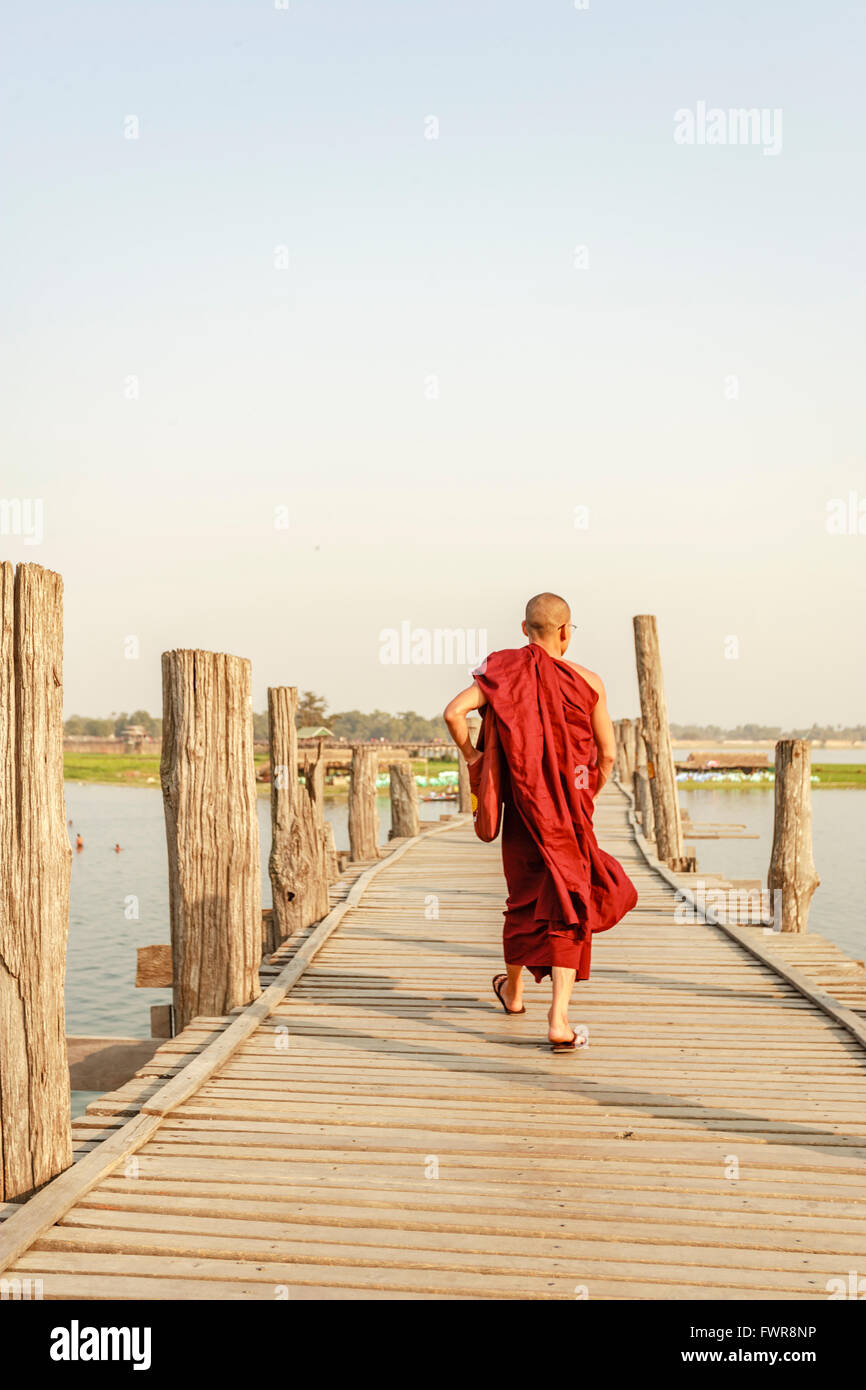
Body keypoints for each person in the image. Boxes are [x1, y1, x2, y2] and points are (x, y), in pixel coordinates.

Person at [444, 592, 638, 1052]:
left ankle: (513, 993)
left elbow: (454, 713)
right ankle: (559, 1020)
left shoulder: (500, 672)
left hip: (522, 815)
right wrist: (582, 793)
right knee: (570, 903)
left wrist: (474, 756)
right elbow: (608, 754)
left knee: (522, 901)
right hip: (568, 817)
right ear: (566, 632)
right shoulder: (588, 682)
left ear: (524, 629)